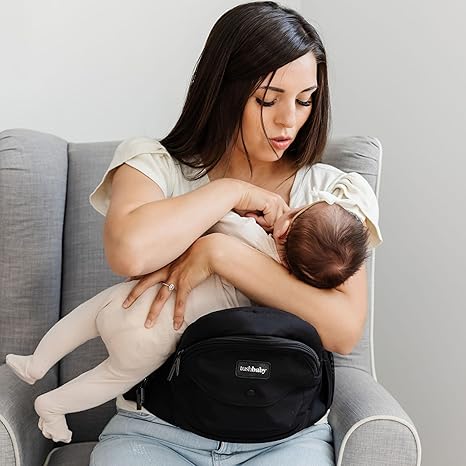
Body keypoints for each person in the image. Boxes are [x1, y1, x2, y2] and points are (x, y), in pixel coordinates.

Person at [84, 2, 381, 464]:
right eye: (268, 99)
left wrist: (221, 253)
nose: (288, 120)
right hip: (156, 428)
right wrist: (229, 192)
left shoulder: (329, 193)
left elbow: (343, 330)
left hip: (286, 437)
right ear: (223, 89)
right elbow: (129, 252)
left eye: (305, 100)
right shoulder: (154, 166)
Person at [5, 175, 381, 443]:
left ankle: (36, 362)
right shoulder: (275, 294)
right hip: (152, 340)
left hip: (131, 299)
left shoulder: (246, 232)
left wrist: (238, 209)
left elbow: (206, 221)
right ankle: (52, 405)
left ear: (283, 230)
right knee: (109, 378)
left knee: (85, 317)